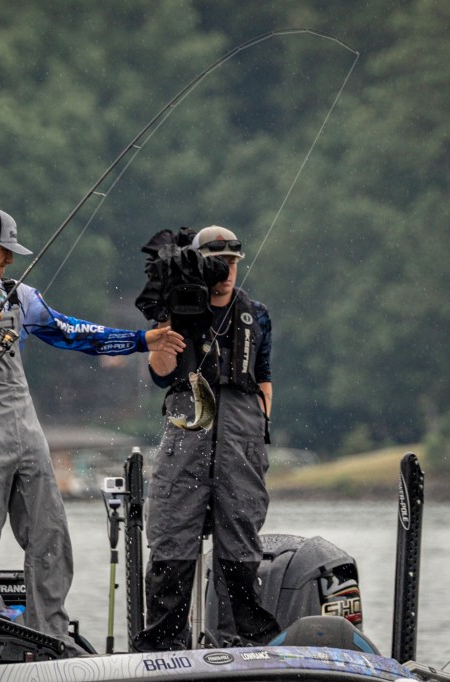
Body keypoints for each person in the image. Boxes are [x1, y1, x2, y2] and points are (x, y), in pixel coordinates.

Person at [0, 205, 184, 652]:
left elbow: (72, 333)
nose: (10, 259)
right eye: (4, 250)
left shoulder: (19, 296)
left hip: (26, 431)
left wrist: (142, 341)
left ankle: (49, 635)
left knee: (51, 538)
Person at [132, 224, 281, 651]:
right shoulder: (179, 309)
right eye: (218, 263)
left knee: (240, 540)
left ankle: (244, 640)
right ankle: (165, 643)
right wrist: (166, 321)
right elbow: (161, 375)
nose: (227, 271)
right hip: (188, 432)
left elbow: (264, 378)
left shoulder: (258, 315)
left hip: (241, 438)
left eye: (233, 262)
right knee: (172, 536)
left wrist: (257, 428)